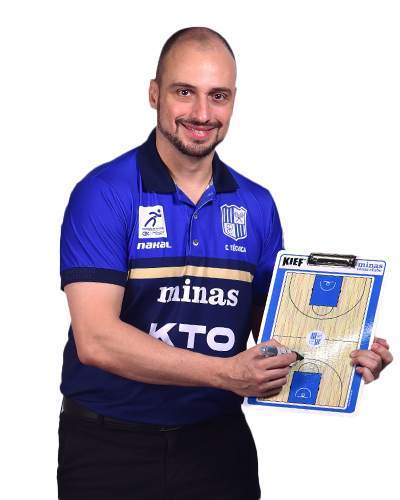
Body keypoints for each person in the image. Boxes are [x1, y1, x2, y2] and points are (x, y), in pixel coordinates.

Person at [57, 26, 393, 500]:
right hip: (108, 447)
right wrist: (223, 374)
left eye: (218, 96)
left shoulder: (257, 205)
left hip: (218, 447)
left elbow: (276, 337)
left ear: (234, 101)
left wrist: (345, 354)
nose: (201, 113)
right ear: (153, 94)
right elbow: (96, 341)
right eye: (184, 92)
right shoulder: (103, 193)